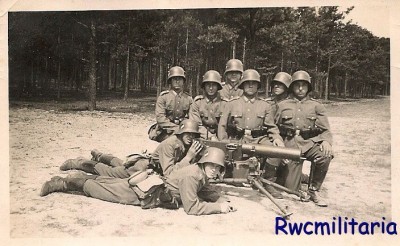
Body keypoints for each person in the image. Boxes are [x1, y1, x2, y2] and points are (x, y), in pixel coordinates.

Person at [40, 147, 237, 216]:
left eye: (218, 168)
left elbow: (205, 189)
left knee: (105, 183)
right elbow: (192, 208)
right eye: (212, 166)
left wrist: (219, 199)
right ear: (204, 163)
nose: (215, 170)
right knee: (101, 189)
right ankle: (62, 184)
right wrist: (217, 208)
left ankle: (71, 179)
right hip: (149, 194)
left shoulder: (200, 173)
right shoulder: (193, 175)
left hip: (152, 187)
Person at [217, 69, 285, 199]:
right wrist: (223, 141)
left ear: (258, 86)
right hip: (238, 138)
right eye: (247, 83)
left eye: (254, 83)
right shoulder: (232, 103)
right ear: (242, 84)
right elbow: (222, 125)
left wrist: (277, 138)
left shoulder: (265, 105)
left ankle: (268, 181)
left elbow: (271, 126)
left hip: (258, 138)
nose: (250, 85)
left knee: (276, 152)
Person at [60, 119, 204, 179]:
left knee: (121, 163)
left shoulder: (187, 144)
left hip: (147, 165)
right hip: (142, 168)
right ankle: (78, 163)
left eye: (193, 135)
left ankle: (99, 155)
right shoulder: (171, 144)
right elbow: (169, 173)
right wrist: (188, 158)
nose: (190, 137)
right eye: (187, 134)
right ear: (181, 133)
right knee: (111, 173)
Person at [274, 70, 333, 207]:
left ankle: (314, 189)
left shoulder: (317, 106)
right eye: (297, 85)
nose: (300, 89)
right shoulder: (282, 105)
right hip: (289, 143)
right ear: (292, 87)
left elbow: (326, 129)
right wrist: (278, 141)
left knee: (325, 155)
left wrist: (326, 141)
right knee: (291, 187)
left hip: (309, 143)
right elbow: (273, 127)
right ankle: (298, 177)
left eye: (304, 85)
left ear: (308, 88)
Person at [148, 66, 193, 142]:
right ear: (170, 81)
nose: (177, 81)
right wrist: (177, 129)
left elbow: (192, 118)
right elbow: (160, 119)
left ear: (183, 81)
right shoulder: (163, 97)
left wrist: (185, 129)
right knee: (174, 142)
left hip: (184, 130)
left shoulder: (188, 99)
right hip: (165, 131)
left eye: (180, 79)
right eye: (174, 79)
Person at [189, 70, 226, 140]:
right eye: (208, 85)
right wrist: (210, 136)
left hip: (220, 138)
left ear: (218, 86)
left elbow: (225, 126)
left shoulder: (225, 103)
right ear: (204, 86)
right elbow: (196, 124)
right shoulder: (197, 102)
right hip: (201, 137)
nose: (211, 88)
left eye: (214, 85)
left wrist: (220, 139)